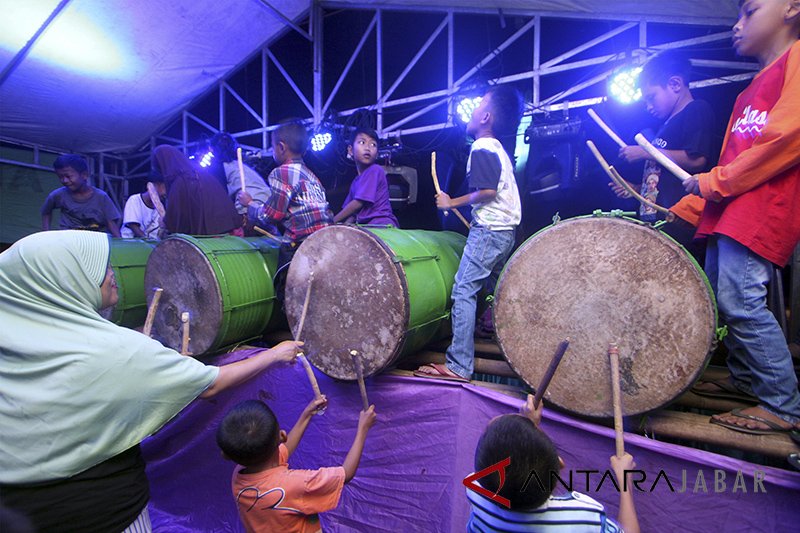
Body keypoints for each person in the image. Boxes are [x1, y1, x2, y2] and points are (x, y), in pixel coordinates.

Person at [0, 230, 304, 531]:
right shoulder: (117, 352)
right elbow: (210, 383)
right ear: (65, 282)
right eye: (96, 269)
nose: (112, 274)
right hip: (105, 512)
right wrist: (274, 355)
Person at [683, 0, 800, 434]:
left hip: (761, 209)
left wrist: (714, 183)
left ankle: (783, 404)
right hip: (732, 210)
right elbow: (729, 162)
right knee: (723, 296)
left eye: (749, 11)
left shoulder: (797, 62)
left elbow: (786, 138)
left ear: (792, 8)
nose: (737, 25)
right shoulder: (747, 91)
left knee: (741, 301)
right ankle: (745, 378)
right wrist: (696, 197)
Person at [414, 85, 523, 382]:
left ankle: (459, 365)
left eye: (479, 105)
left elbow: (487, 192)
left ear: (486, 117)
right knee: (493, 293)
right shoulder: (498, 147)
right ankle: (510, 345)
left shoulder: (483, 147)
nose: (472, 110)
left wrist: (452, 202)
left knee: (463, 289)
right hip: (502, 231)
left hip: (491, 231)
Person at [466, 395, 640, 533]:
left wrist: (529, 425)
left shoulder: (475, 490)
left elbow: (514, 463)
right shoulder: (584, 515)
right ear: (559, 465)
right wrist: (625, 480)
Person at [216, 398, 377, 533]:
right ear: (282, 435)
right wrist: (363, 429)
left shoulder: (240, 475)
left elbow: (282, 451)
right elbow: (346, 473)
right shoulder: (297, 484)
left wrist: (306, 415)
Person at [609, 50, 715, 255]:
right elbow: (665, 180)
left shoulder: (696, 109)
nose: (649, 106)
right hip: (657, 221)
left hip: (680, 220)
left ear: (675, 84)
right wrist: (637, 188)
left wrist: (645, 152)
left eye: (651, 97)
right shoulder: (665, 127)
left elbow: (697, 160)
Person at [239, 120, 333, 290]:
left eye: (273, 147)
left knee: (287, 294)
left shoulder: (281, 173)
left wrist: (250, 204)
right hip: (323, 244)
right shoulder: (312, 177)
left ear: (281, 147)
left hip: (298, 247)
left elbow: (272, 215)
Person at [152, 144, 242, 235]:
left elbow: (176, 222)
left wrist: (165, 223)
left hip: (210, 239)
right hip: (229, 232)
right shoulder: (201, 174)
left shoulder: (180, 182)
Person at [41, 154, 122, 237]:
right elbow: (46, 212)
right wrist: (46, 234)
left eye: (68, 176)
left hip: (95, 239)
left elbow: (111, 223)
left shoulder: (101, 197)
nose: (64, 180)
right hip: (68, 238)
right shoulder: (58, 195)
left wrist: (120, 242)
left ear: (84, 175)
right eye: (60, 177)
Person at [333, 127, 399, 227]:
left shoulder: (375, 170)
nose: (368, 148)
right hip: (366, 225)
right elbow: (352, 214)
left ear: (377, 154)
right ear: (350, 150)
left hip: (381, 224)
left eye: (373, 145)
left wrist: (332, 222)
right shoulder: (356, 181)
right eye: (362, 142)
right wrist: (341, 228)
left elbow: (358, 204)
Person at [209, 132, 272, 216]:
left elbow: (219, 198)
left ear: (211, 149)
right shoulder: (242, 165)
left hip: (250, 209)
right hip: (268, 205)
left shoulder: (219, 168)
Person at [120, 175, 167, 239]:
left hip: (150, 245)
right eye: (164, 187)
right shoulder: (134, 200)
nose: (165, 192)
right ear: (154, 186)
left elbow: (159, 233)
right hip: (130, 242)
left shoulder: (160, 209)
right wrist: (147, 240)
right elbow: (133, 226)